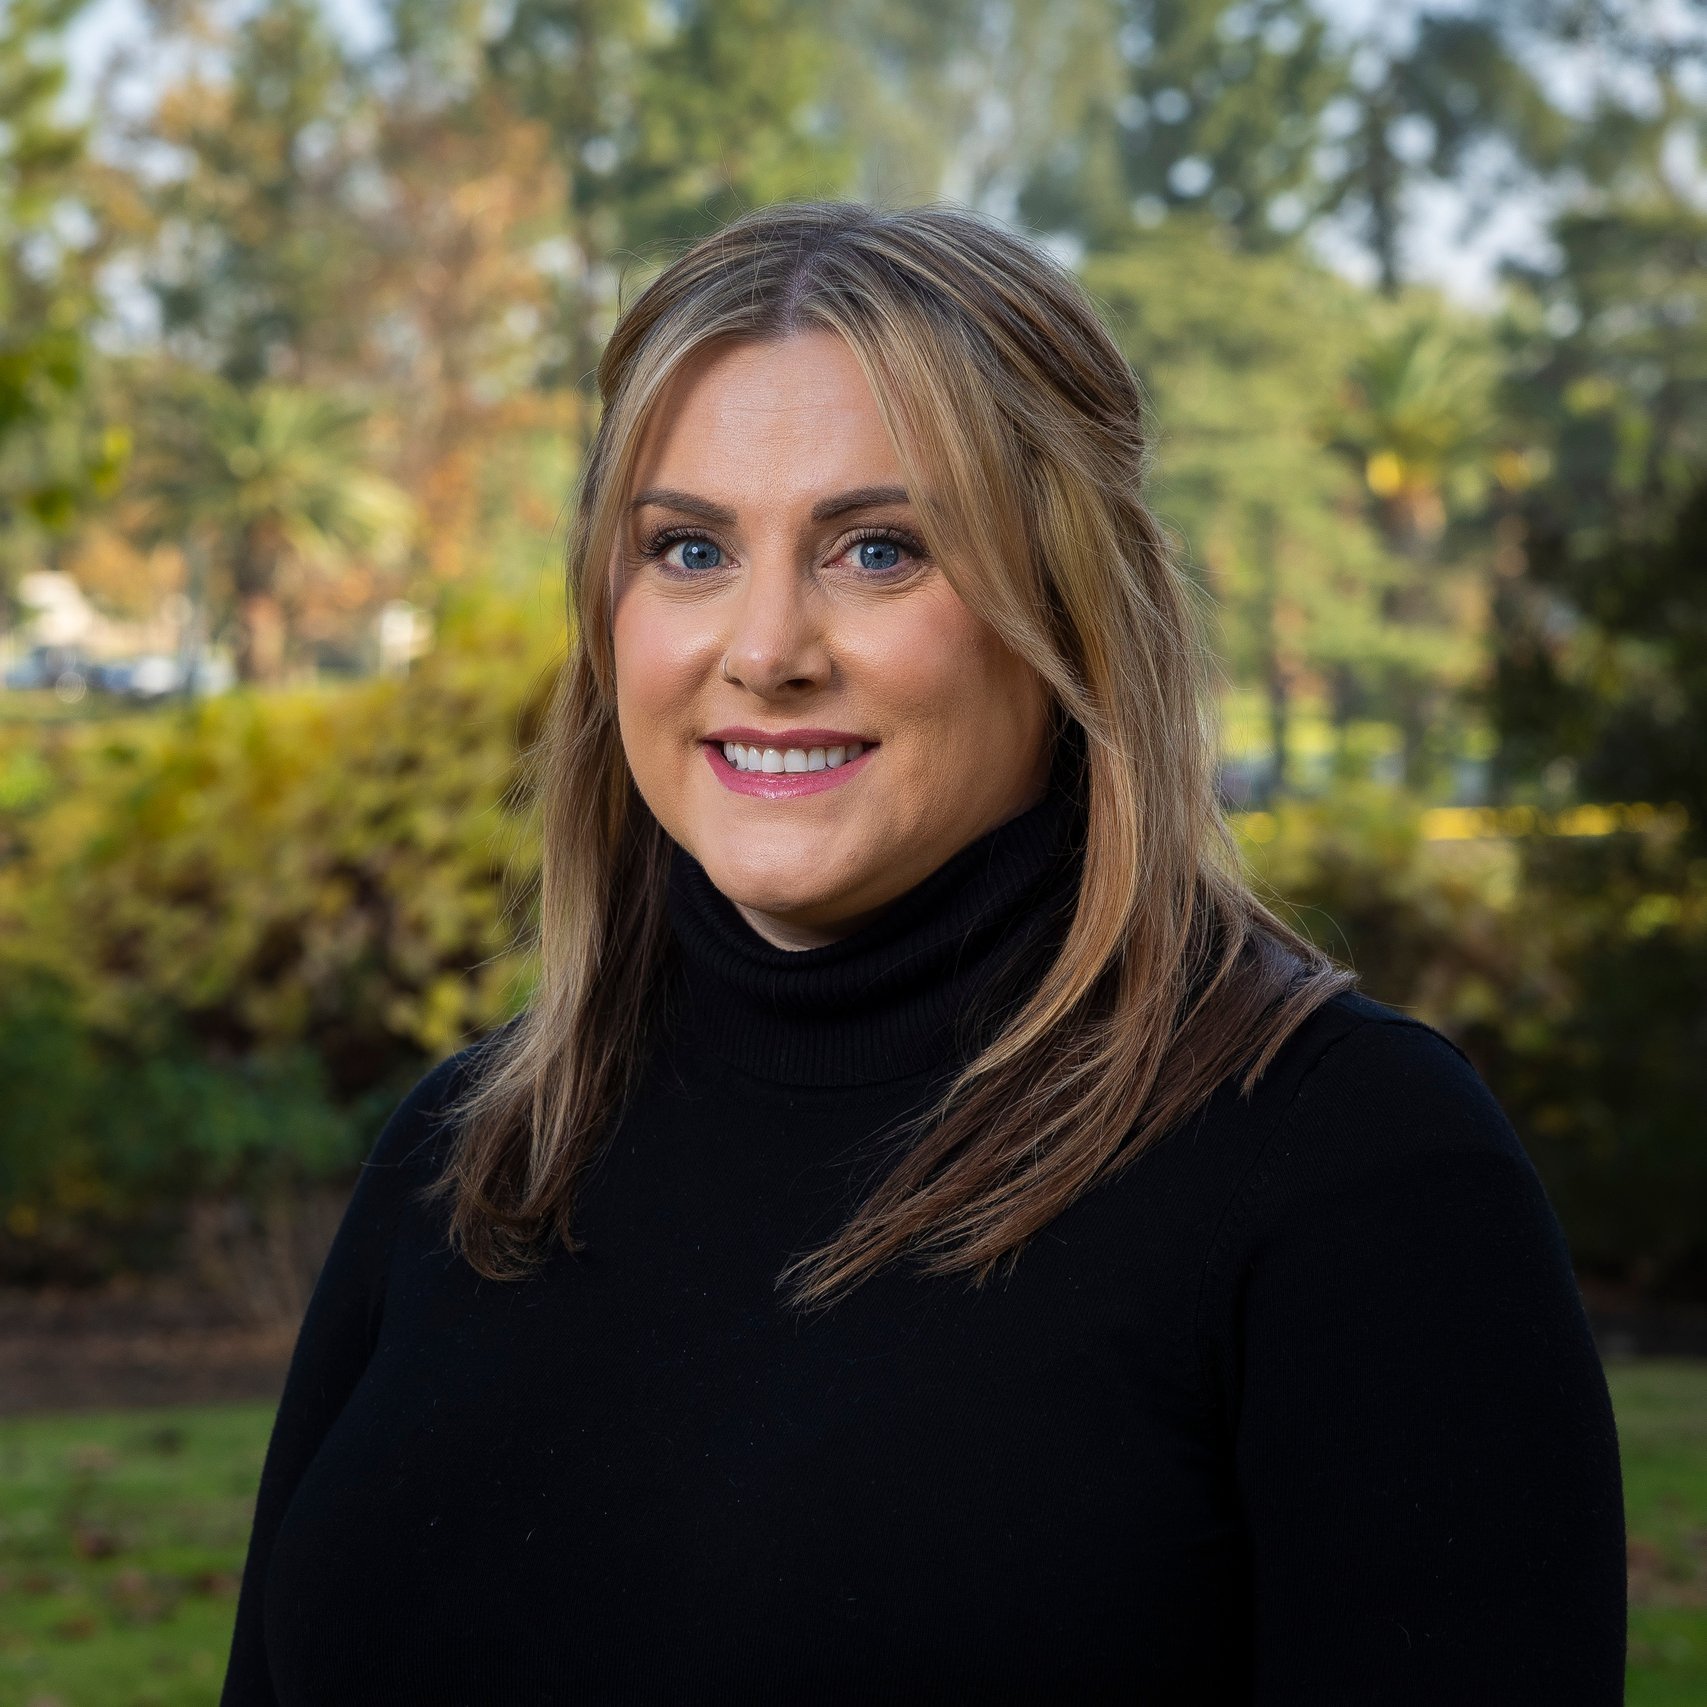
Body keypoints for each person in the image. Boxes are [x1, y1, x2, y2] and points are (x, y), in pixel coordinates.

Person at [220, 202, 1626, 1705]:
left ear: (1073, 614)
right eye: (689, 548)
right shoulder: (470, 1154)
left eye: (879, 550)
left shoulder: (1357, 1173)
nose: (766, 648)